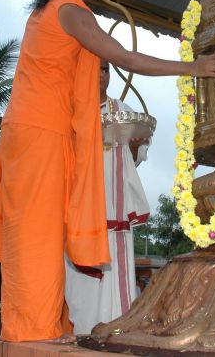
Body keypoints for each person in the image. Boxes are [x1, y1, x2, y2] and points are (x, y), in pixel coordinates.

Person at [0, 0, 215, 343]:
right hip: (39, 133)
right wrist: (194, 67)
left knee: (46, 231)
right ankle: (32, 330)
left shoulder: (55, 9)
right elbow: (125, 58)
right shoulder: (69, 11)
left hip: (41, 132)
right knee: (37, 233)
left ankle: (46, 324)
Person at [65, 59, 152, 334]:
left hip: (114, 209)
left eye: (105, 69)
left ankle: (116, 330)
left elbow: (136, 158)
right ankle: (83, 332)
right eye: (94, 70)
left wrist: (134, 148)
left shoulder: (123, 111)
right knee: (80, 282)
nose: (100, 75)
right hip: (80, 208)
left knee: (116, 270)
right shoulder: (72, 111)